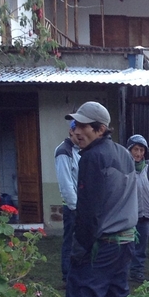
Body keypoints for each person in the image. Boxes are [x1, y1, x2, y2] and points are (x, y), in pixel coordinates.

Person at [60, 102, 137, 297]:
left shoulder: (93, 157)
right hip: (125, 242)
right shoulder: (123, 154)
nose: (75, 131)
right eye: (74, 125)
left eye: (82, 126)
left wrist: (79, 250)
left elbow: (89, 211)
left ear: (100, 129)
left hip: (101, 244)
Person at [126, 134, 149, 283]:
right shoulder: (125, 168)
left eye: (142, 150)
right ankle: (125, 271)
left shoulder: (148, 169)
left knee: (141, 248)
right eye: (136, 150)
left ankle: (138, 272)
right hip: (130, 215)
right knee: (128, 246)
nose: (139, 154)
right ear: (129, 150)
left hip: (145, 214)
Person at [54, 121, 81, 283]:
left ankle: (76, 273)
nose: (81, 137)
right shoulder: (64, 151)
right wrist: (75, 207)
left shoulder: (80, 150)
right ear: (70, 131)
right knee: (70, 241)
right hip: (72, 206)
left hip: (82, 205)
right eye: (77, 133)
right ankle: (67, 275)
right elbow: (66, 184)